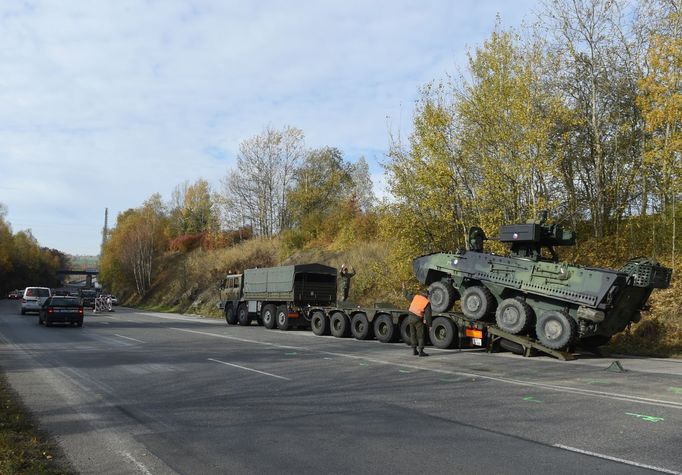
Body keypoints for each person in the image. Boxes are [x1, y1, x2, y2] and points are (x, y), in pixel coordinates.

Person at [403, 283, 432, 357]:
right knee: (420, 335)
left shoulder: (416, 297)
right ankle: (421, 351)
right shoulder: (426, 302)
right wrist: (430, 325)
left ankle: (414, 350)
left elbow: (407, 295)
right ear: (427, 295)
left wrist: (404, 288)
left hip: (410, 317)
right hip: (417, 319)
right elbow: (428, 315)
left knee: (413, 334)